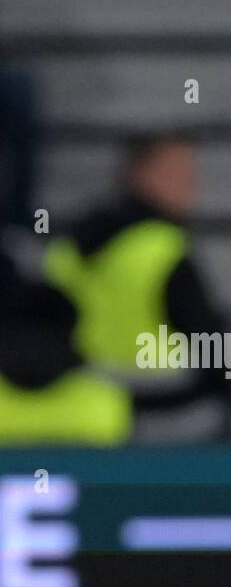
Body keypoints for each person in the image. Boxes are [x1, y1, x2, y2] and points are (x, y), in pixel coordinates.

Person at [42, 132, 228, 440]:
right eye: (177, 174)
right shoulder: (163, 248)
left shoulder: (66, 246)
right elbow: (209, 342)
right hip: (166, 408)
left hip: (84, 409)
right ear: (139, 173)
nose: (191, 186)